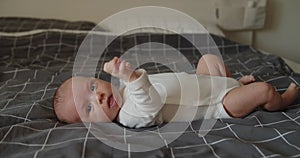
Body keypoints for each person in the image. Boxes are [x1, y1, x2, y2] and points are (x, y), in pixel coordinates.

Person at [53, 54, 298, 128]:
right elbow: (151, 103)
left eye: (93, 87)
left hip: (205, 82)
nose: (97, 96)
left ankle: (236, 82)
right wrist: (131, 76)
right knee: (264, 90)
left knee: (208, 59)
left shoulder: (125, 88)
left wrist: (128, 79)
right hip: (219, 103)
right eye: (88, 107)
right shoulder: (129, 115)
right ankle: (282, 101)